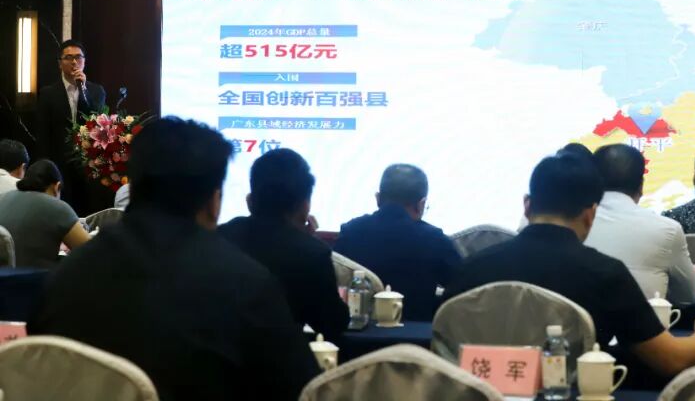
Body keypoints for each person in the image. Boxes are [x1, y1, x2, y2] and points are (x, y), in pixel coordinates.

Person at [29, 118, 319, 401]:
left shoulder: (65, 276)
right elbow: (302, 388)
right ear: (214, 201)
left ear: (134, 188)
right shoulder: (248, 285)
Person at [447, 154, 695, 379]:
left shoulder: (472, 267)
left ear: (527, 206)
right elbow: (670, 360)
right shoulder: (605, 274)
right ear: (590, 214)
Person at [219, 148, 348, 341]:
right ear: (305, 206)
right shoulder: (313, 254)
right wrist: (307, 242)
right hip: (280, 356)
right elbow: (332, 323)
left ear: (250, 201)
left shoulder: (220, 237)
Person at [335, 164, 460, 321]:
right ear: (421, 205)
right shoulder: (435, 239)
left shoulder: (350, 231)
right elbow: (461, 285)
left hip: (359, 332)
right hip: (417, 333)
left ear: (378, 199)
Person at [585, 143, 695, 303]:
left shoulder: (574, 223)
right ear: (641, 185)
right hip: (645, 318)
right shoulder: (668, 229)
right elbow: (687, 296)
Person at [35, 40, 106, 216]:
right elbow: (43, 132)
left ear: (84, 61)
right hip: (59, 162)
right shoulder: (48, 93)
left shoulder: (96, 91)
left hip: (87, 163)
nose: (74, 62)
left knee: (87, 211)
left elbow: (95, 119)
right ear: (60, 63)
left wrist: (83, 90)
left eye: (78, 57)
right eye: (68, 58)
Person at [0, 159, 89, 268]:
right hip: (34, 277)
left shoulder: (2, 198)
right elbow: (91, 252)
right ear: (57, 187)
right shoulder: (56, 207)